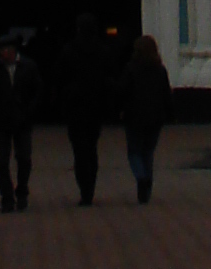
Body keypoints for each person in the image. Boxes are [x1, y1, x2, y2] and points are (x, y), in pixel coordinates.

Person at [61, 11, 111, 208]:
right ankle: (90, 187)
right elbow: (108, 77)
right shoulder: (103, 50)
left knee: (79, 151)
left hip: (75, 107)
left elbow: (61, 76)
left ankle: (85, 190)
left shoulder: (69, 50)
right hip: (95, 107)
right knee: (91, 148)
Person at [119, 32, 171, 205]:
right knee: (148, 152)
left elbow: (123, 92)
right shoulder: (160, 70)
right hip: (155, 117)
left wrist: (120, 109)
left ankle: (141, 178)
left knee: (134, 152)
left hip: (134, 117)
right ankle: (146, 186)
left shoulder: (131, 69)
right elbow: (166, 94)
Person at [0, 34, 41, 212]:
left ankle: (22, 190)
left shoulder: (28, 67)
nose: (1, 54)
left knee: (24, 158)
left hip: (23, 121)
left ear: (12, 51)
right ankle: (6, 197)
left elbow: (37, 91)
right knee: (1, 163)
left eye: (3, 50)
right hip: (2, 122)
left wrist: (29, 111)